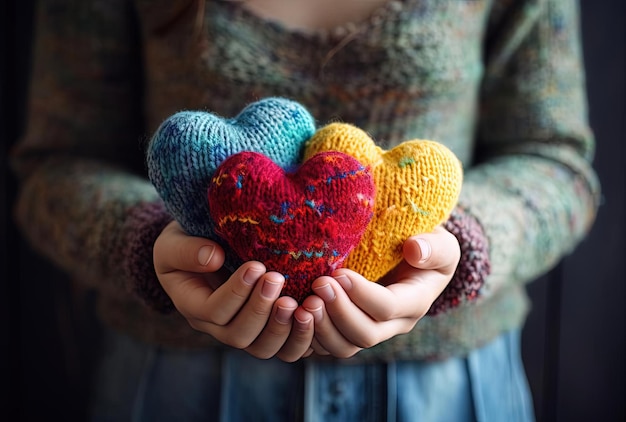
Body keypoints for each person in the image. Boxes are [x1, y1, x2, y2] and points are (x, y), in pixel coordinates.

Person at [11, 0, 600, 420]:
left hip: (444, 392)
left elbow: (557, 163)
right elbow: (56, 167)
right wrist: (146, 245)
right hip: (178, 384)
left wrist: (462, 244)